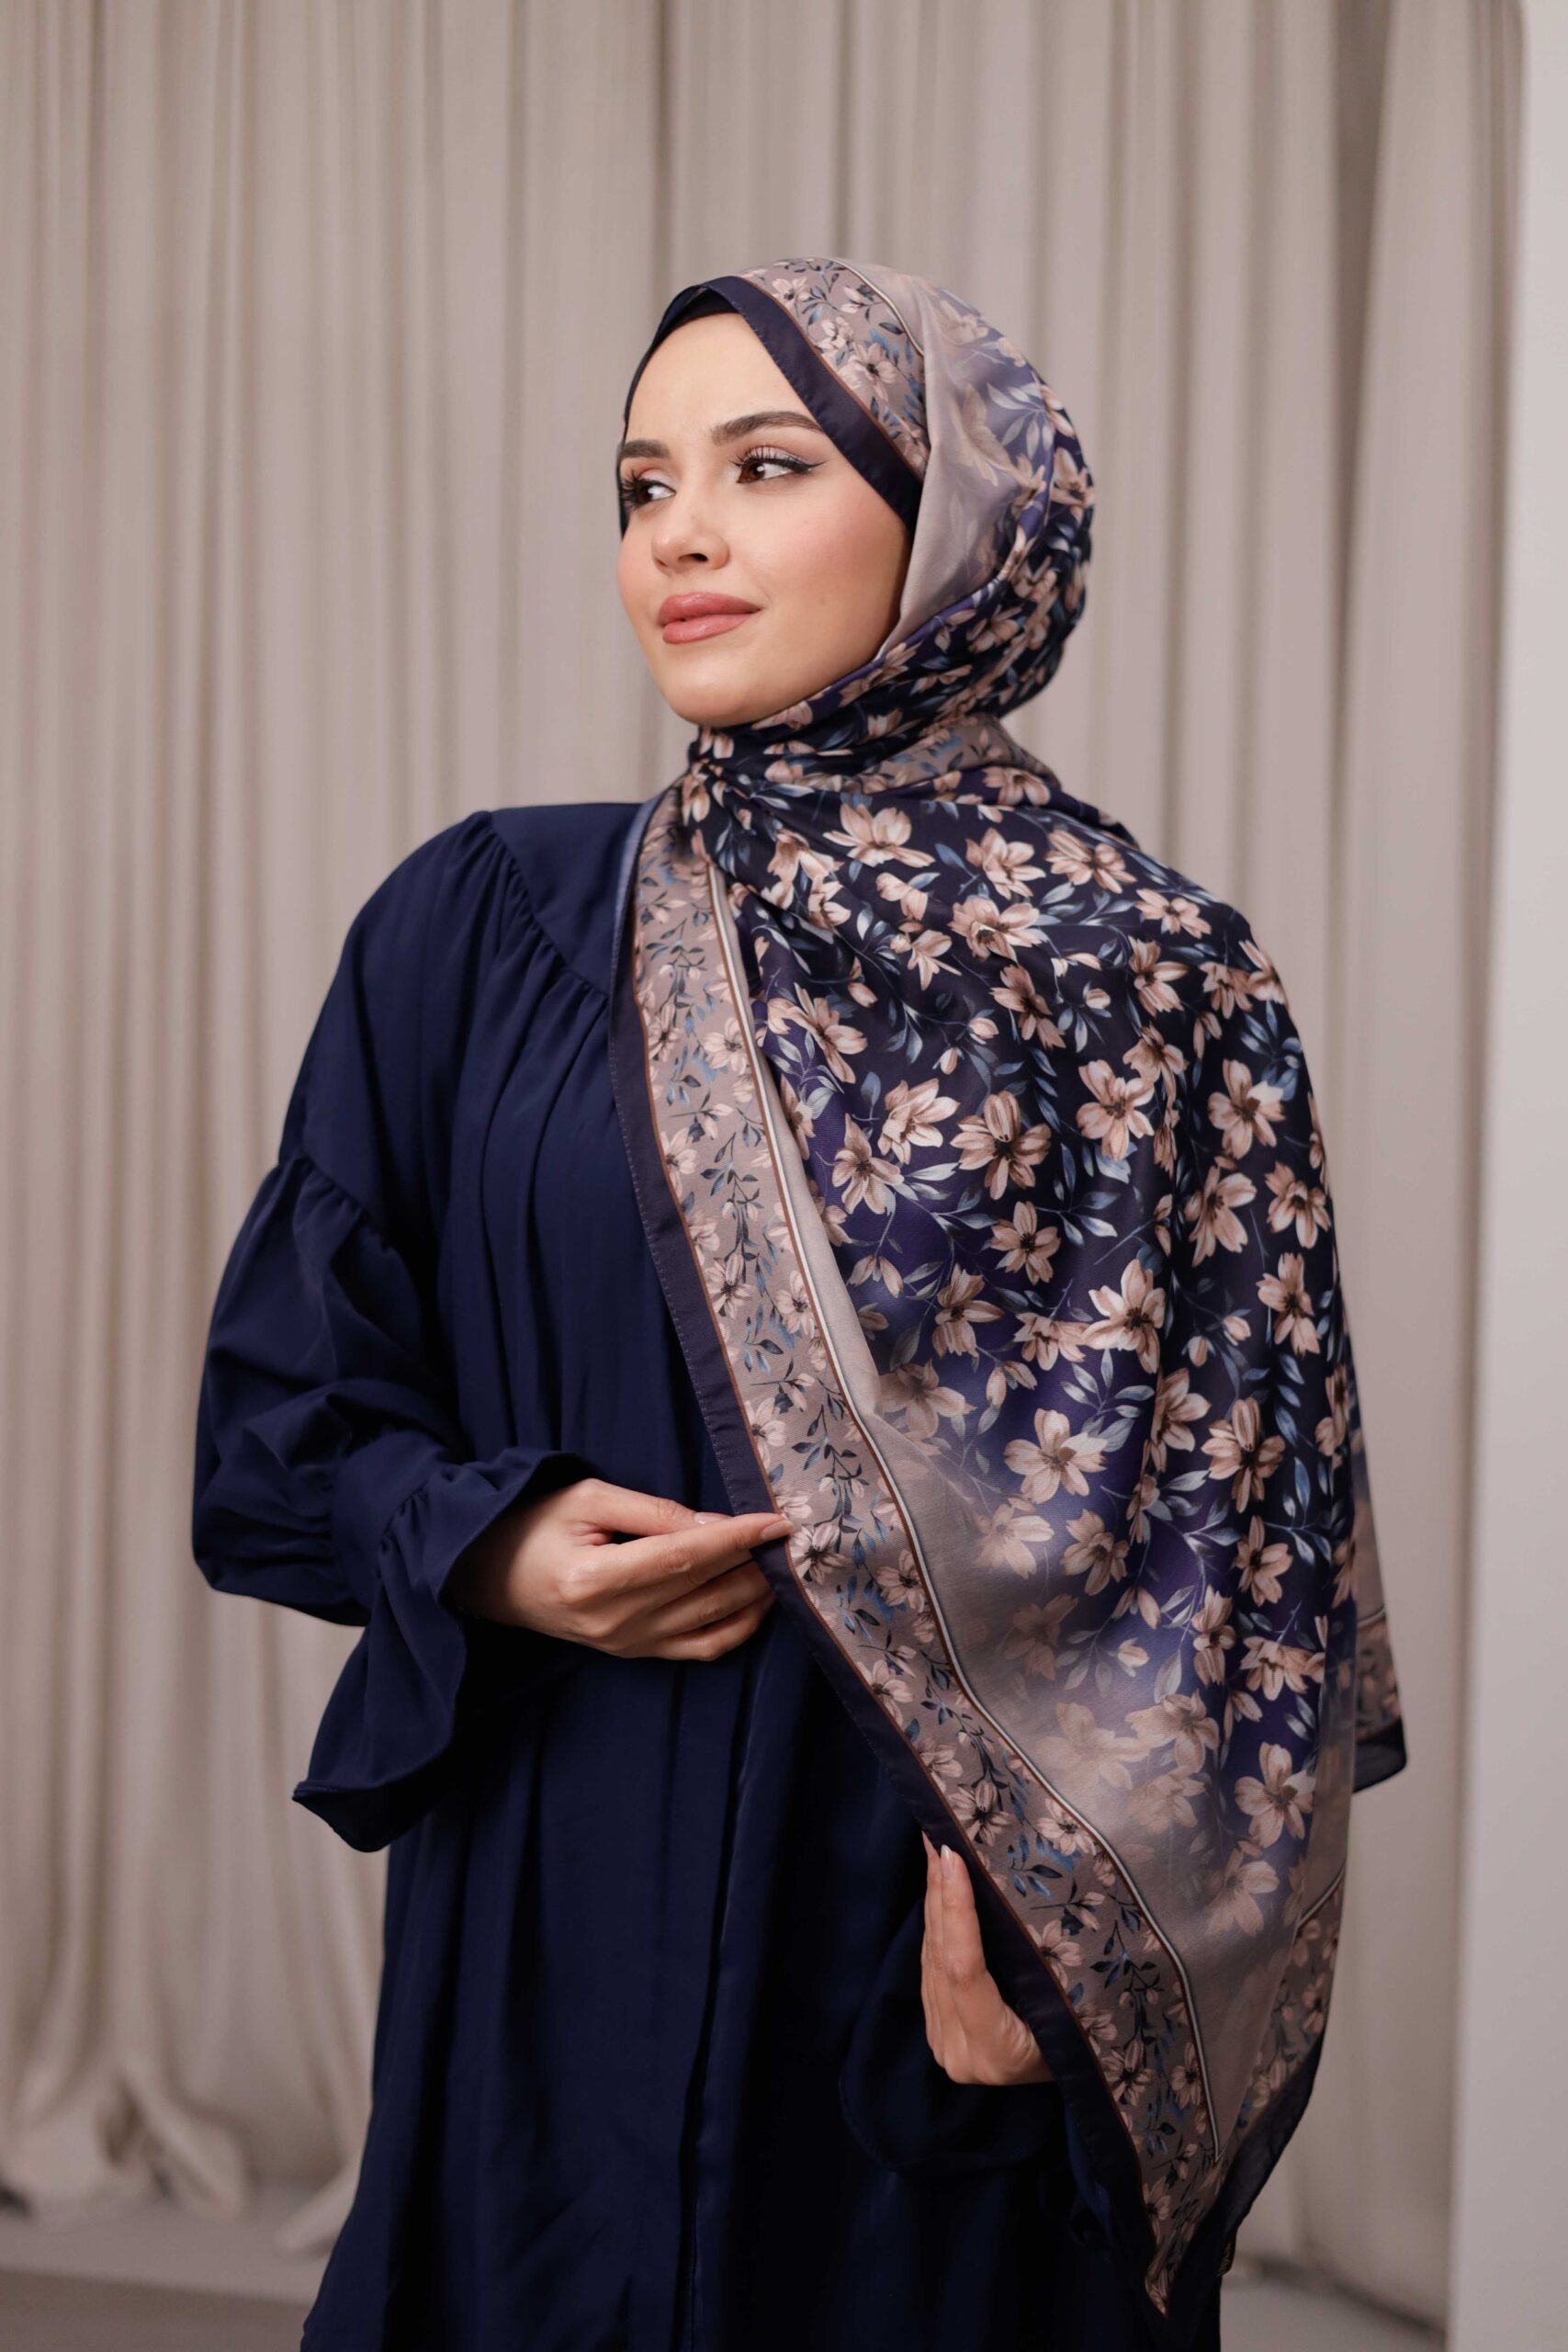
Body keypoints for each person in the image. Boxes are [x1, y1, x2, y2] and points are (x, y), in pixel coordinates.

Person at [192, 256, 1405, 2352]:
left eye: (765, 466)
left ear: (958, 528)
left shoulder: (1155, 986)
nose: (679, 533)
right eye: (641, 481)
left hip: (925, 1977)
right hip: (559, 1918)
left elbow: (1251, 1580)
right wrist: (491, 1547)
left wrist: (1070, 1973)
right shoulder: (490, 927)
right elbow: (282, 1422)